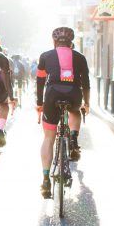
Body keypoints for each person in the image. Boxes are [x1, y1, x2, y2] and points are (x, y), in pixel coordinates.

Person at [36, 26, 91, 198]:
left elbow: (39, 81)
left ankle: (45, 179)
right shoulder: (80, 57)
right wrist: (86, 103)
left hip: (52, 96)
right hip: (74, 94)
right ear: (71, 43)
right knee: (75, 112)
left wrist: (40, 104)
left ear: (54, 42)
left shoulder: (45, 56)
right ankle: (73, 139)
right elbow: (86, 83)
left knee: (48, 138)